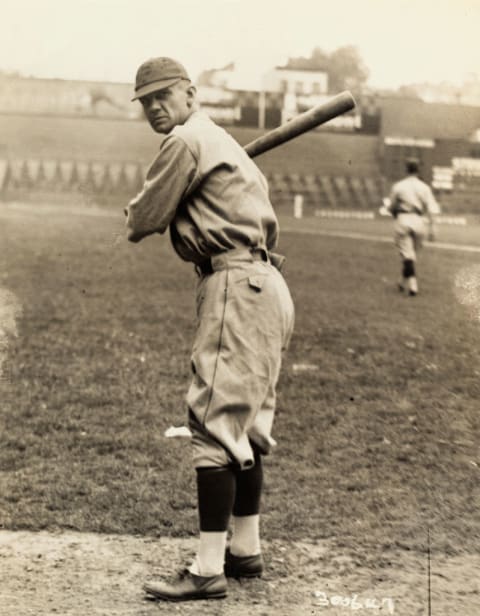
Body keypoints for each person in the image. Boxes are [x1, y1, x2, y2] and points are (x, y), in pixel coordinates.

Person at [124, 57, 295, 602]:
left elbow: (143, 220)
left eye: (163, 96)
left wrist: (133, 211)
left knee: (214, 420)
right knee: (245, 423)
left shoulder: (186, 141)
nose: (155, 107)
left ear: (190, 93)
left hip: (233, 283)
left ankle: (206, 568)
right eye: (146, 100)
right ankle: (244, 551)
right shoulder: (214, 138)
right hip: (266, 283)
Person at [386, 158, 439, 296]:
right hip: (419, 221)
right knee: (410, 254)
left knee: (408, 255)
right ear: (418, 170)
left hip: (403, 218)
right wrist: (433, 228)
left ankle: (412, 284)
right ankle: (404, 283)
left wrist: (395, 214)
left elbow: (391, 207)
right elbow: (432, 208)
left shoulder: (398, 186)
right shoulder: (425, 187)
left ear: (406, 169)